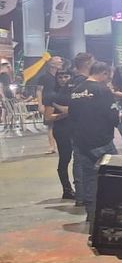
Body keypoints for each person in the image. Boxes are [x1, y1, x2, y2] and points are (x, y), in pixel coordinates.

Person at [68, 62, 120, 222]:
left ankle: (91, 214)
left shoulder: (76, 91)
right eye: (108, 76)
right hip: (102, 140)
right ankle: (110, 213)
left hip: (81, 141)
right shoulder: (103, 90)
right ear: (104, 73)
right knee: (114, 176)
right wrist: (118, 117)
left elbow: (72, 115)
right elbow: (113, 117)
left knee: (89, 177)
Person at [42, 68, 78, 200]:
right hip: (62, 130)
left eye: (66, 76)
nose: (63, 80)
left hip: (77, 129)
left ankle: (80, 187)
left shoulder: (76, 92)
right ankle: (66, 189)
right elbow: (47, 118)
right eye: (60, 77)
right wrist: (66, 114)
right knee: (65, 159)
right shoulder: (52, 95)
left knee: (79, 159)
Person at [32, 56, 64, 154]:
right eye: (58, 62)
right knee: (50, 125)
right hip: (48, 103)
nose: (61, 63)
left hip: (59, 102)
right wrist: (40, 104)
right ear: (52, 64)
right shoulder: (43, 77)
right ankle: (52, 146)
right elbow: (39, 91)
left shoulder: (61, 76)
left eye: (61, 61)